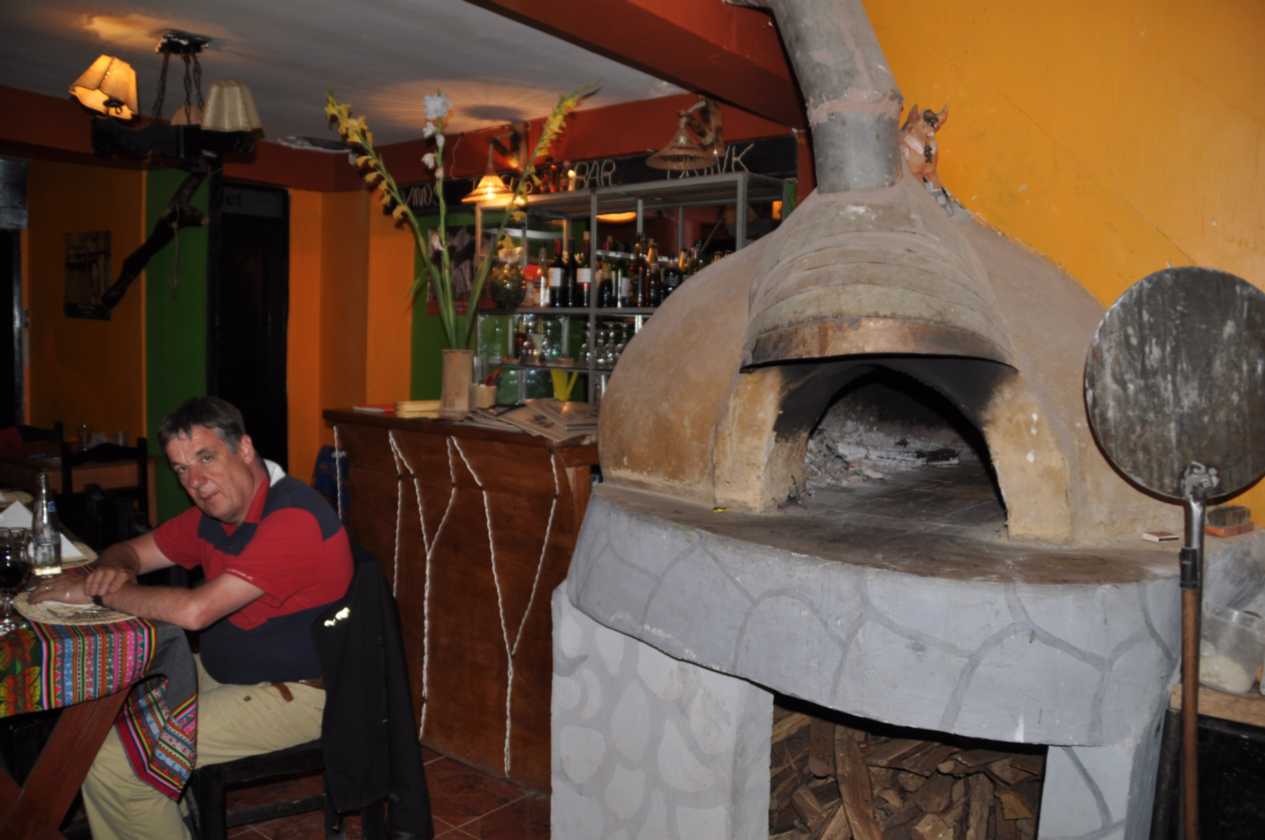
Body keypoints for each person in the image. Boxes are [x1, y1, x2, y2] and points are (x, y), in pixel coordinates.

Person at [31, 396, 353, 840]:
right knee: (98, 720)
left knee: (116, 761)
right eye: (181, 469)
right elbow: (131, 551)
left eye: (206, 458)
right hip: (235, 673)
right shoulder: (216, 514)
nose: (196, 482)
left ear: (244, 449)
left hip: (304, 693)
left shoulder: (293, 517)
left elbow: (195, 611)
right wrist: (111, 569)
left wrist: (100, 592)